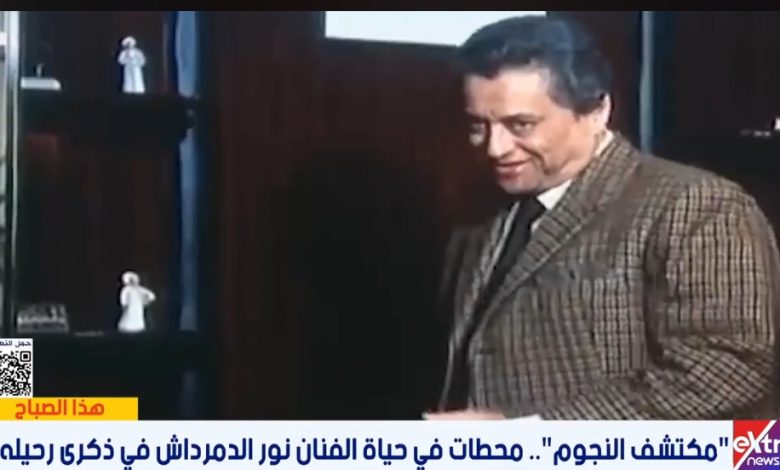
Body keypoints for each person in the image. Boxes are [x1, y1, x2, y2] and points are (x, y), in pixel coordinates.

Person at [424, 14, 780, 420]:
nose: (495, 148)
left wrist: (530, 433)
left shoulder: (698, 205)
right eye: (478, 126)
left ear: (596, 111)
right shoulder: (480, 212)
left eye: (521, 125)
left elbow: (730, 367)